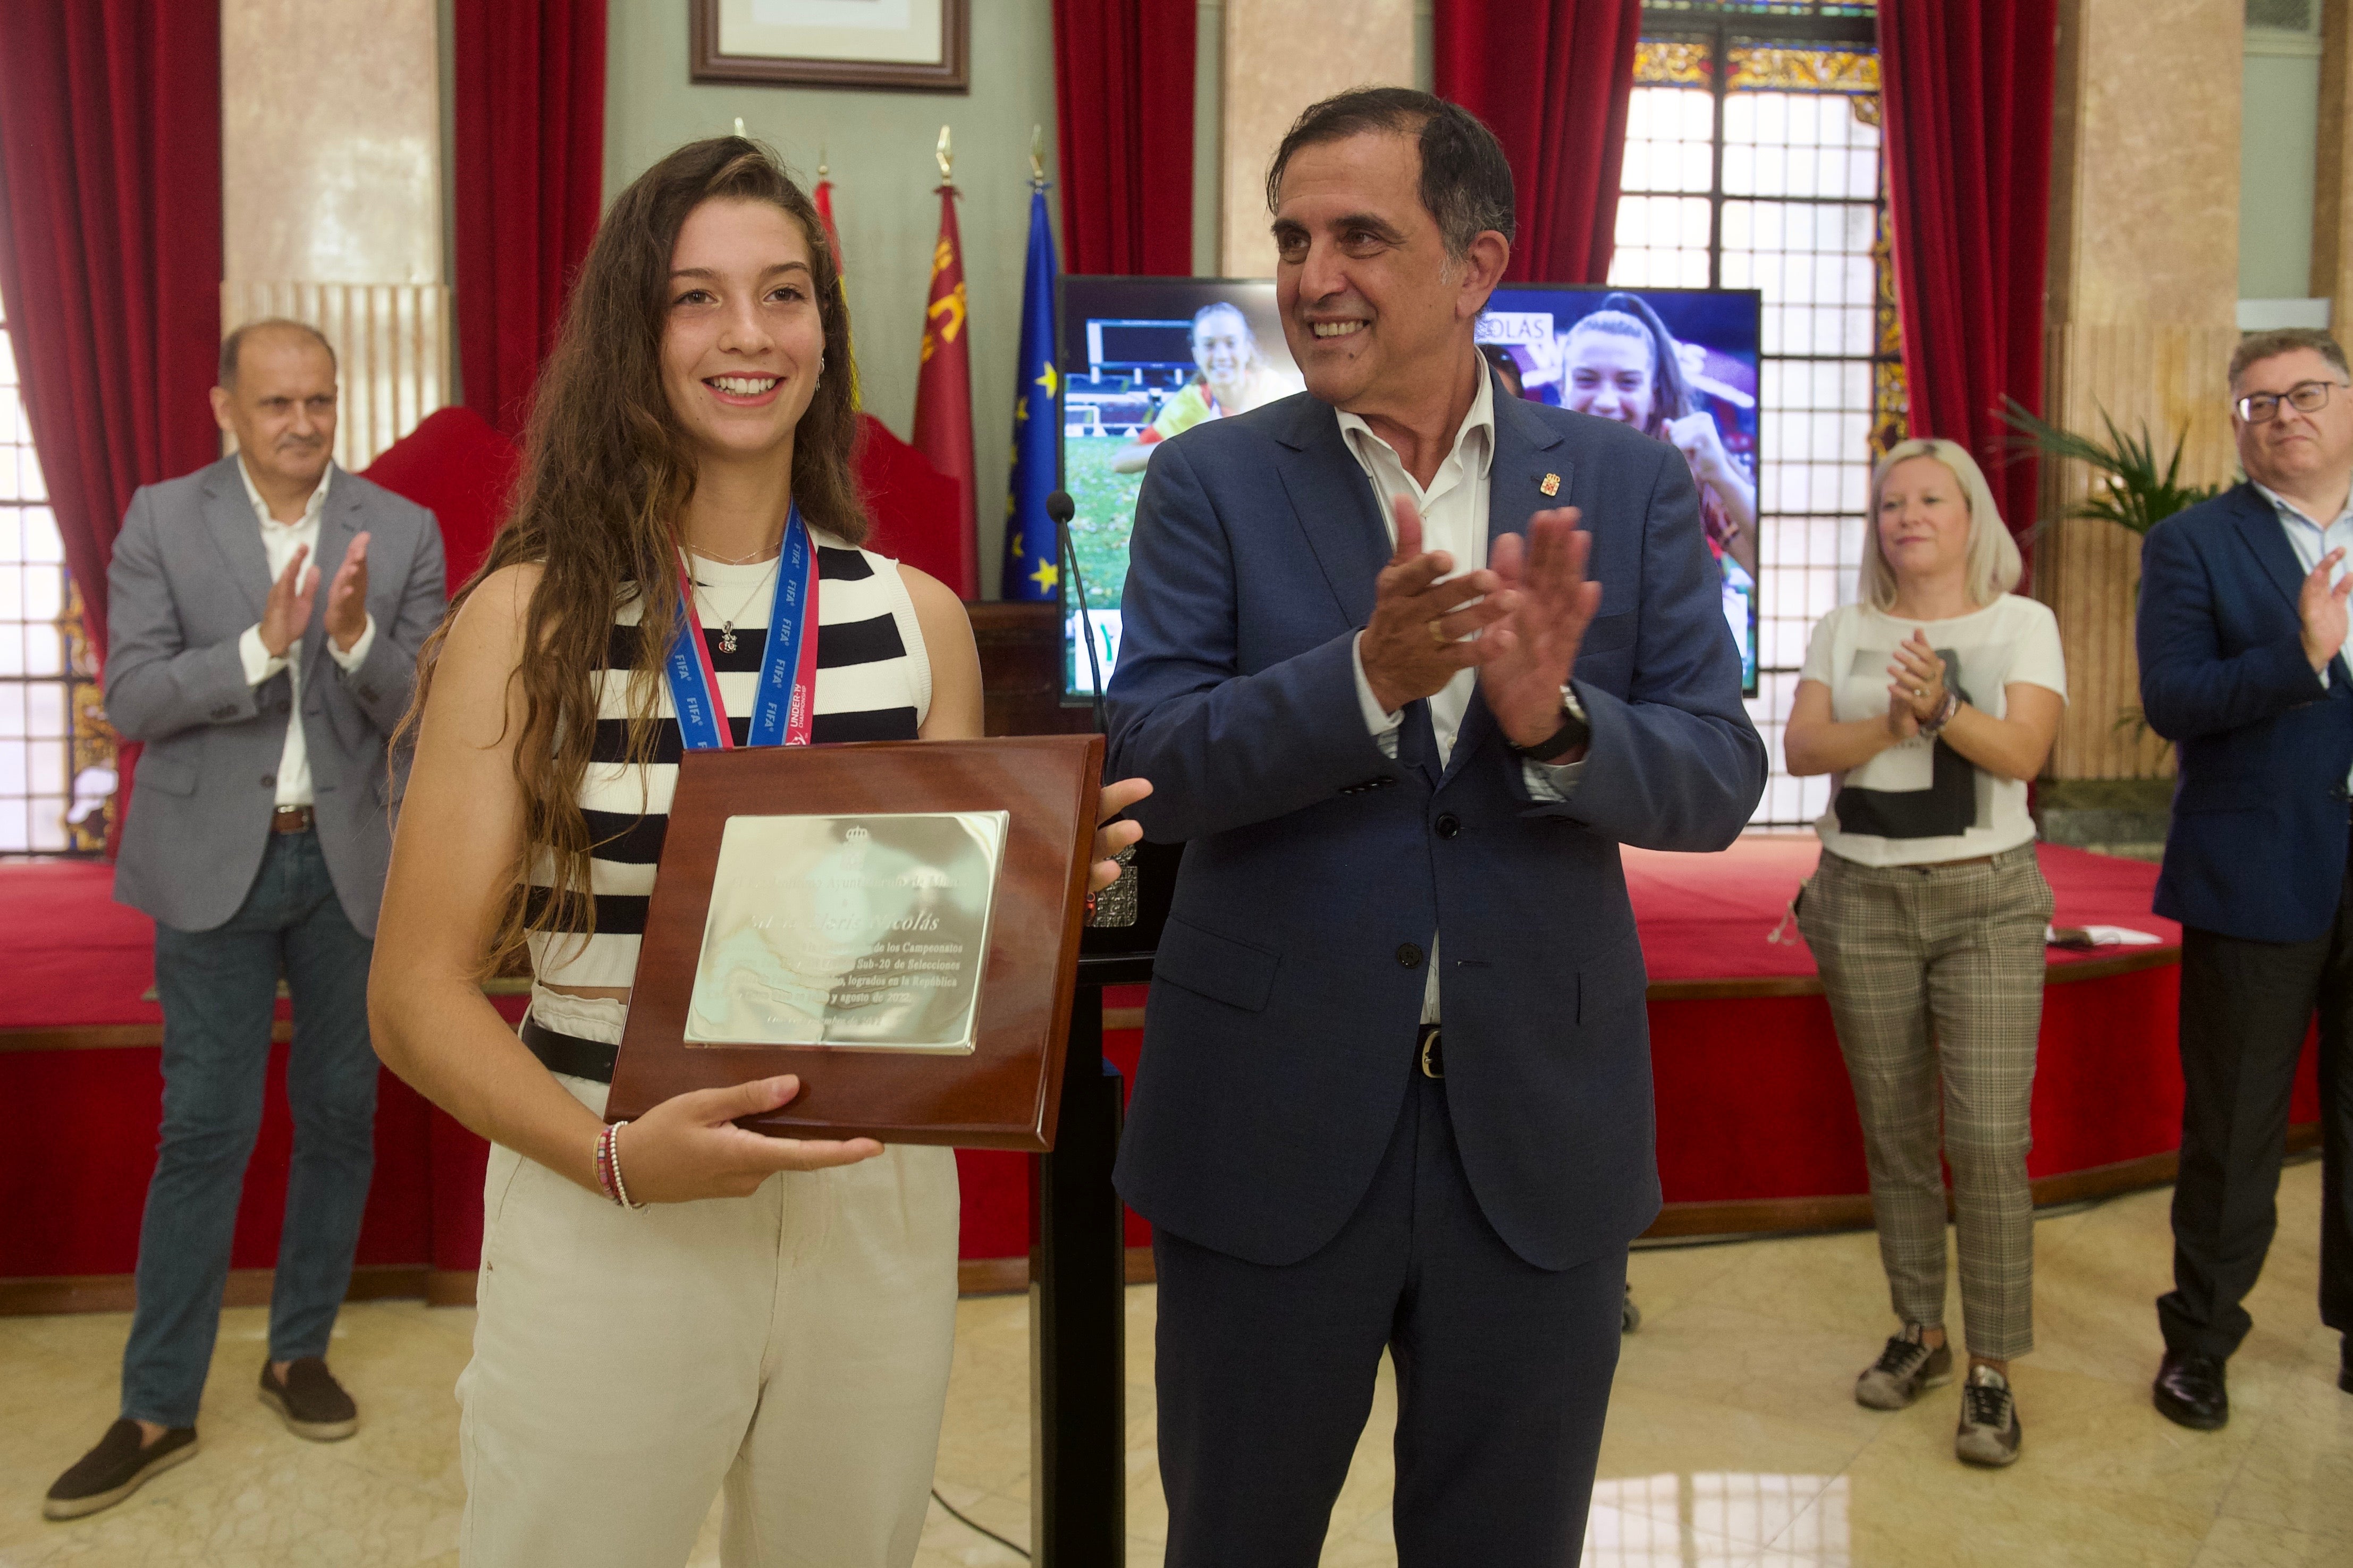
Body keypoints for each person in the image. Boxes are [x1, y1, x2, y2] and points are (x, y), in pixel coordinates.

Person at [364, 138, 1145, 1567]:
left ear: (821, 331)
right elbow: (409, 993)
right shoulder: (525, 618)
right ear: (633, 332)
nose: (747, 336)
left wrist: (1038, 895)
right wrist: (609, 1159)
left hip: (868, 1199)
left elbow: (918, 969)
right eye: (696, 299)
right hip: (608, 1190)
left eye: (783, 295)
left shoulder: (916, 619)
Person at [1106, 89, 1764, 1565]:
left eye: (1358, 237)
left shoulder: (1627, 485)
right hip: (1265, 1126)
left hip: (1534, 1137)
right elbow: (1146, 758)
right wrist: (1360, 680)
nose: (1311, 276)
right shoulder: (1207, 479)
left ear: (1474, 267)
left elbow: (1719, 774)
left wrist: (1554, 722)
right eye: (1290, 239)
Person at [45, 320, 449, 1520]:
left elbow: (419, 701)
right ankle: (158, 1401)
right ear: (226, 405)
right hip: (209, 866)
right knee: (202, 1129)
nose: (303, 423)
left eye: (320, 400)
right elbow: (131, 697)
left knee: (339, 1114)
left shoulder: (403, 529)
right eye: (276, 403)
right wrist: (261, 646)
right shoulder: (162, 519)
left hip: (346, 869)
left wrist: (354, 639)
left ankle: (298, 1349)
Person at [1783, 438, 2065, 1468]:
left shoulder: (2017, 621)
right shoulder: (1841, 626)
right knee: (1895, 1131)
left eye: (1928, 497)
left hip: (1984, 900)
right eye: (1889, 500)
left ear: (1968, 514)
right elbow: (1802, 750)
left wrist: (1942, 708)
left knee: (1986, 1139)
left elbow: (2023, 753)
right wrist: (1886, 721)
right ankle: (1921, 1331)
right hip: (1857, 896)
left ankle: (1990, 1363)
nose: (1905, 514)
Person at [2136, 325, 2353, 1430]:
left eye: (2303, 392)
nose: (2282, 415)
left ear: (2345, 400)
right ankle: (2200, 1342)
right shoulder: (2191, 543)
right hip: (2254, 867)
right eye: (2256, 403)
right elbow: (2173, 696)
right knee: (2232, 1126)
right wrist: (2298, 654)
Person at [1558, 292, 1759, 584]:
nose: (1606, 401)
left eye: (1628, 383)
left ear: (1653, 395)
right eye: (1587, 380)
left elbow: (1766, 564)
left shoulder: (1687, 473)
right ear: (1563, 388)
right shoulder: (1537, 466)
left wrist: (1722, 475)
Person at [1110, 300, 1300, 472]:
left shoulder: (1275, 391)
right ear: (1197, 356)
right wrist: (1186, 441)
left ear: (1247, 349)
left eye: (1231, 343)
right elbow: (1121, 461)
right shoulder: (1188, 403)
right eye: (1209, 345)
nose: (1221, 355)